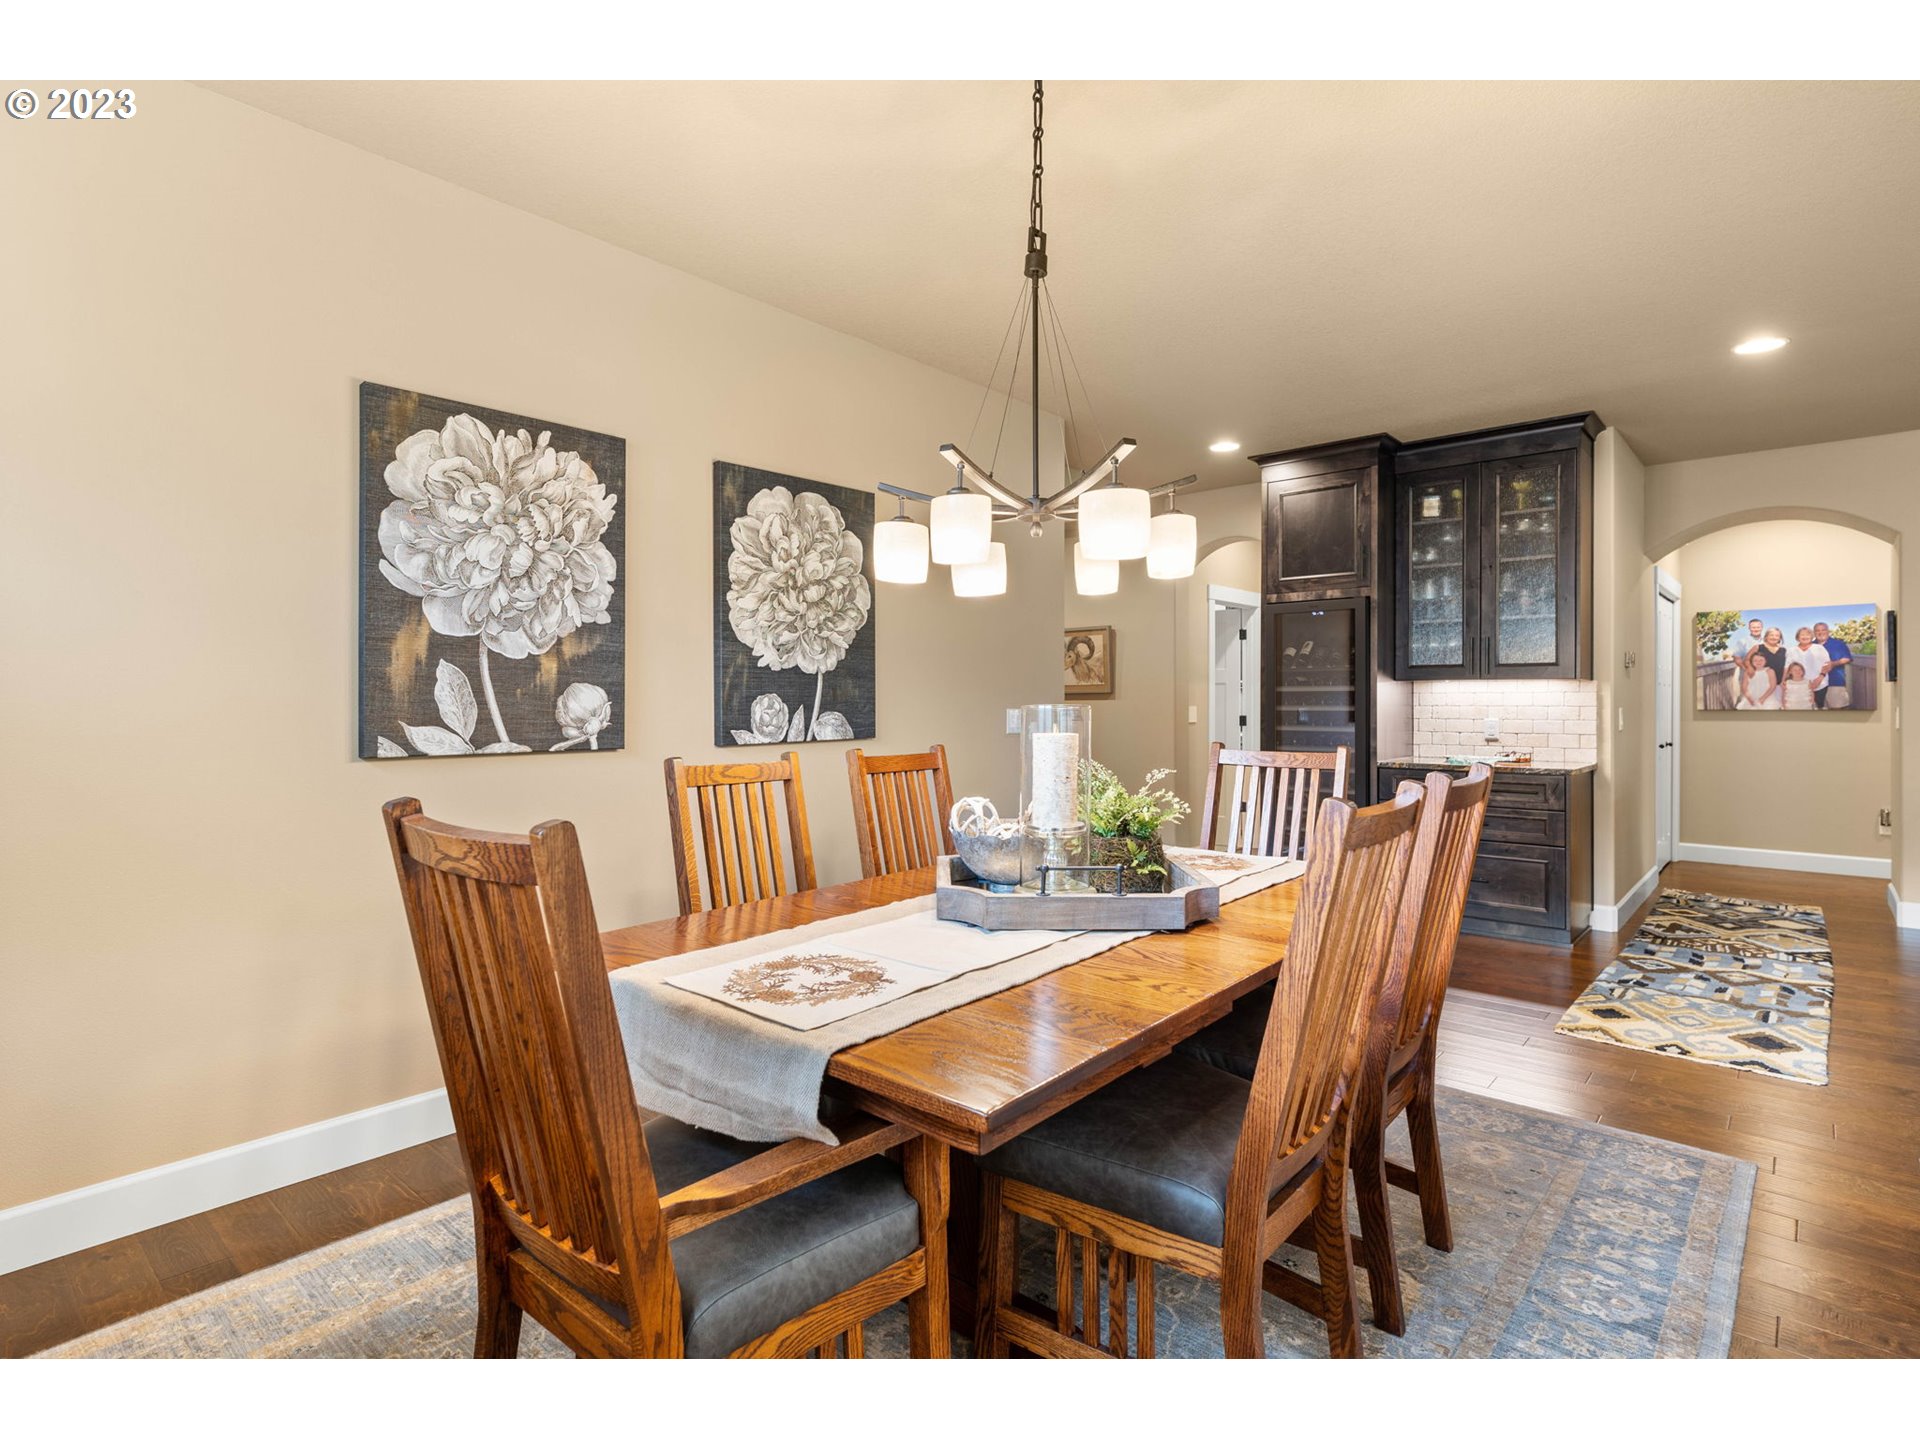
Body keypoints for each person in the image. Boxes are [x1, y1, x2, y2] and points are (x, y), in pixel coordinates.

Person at [1785, 626, 1831, 708]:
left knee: (1818, 708)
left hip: (1819, 684)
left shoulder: (1819, 648)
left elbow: (1828, 665)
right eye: (1802, 635)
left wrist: (1820, 678)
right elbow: (1787, 667)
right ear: (1797, 637)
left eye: (1808, 635)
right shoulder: (1791, 650)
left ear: (1812, 637)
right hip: (1799, 685)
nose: (1805, 637)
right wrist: (1783, 681)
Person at [1813, 620, 1853, 709]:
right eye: (1817, 630)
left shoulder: (1838, 644)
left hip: (1835, 682)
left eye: (1823, 630)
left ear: (1828, 631)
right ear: (1814, 633)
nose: (1820, 632)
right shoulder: (1811, 645)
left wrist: (1833, 664)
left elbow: (1847, 658)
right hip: (1816, 684)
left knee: (1838, 711)